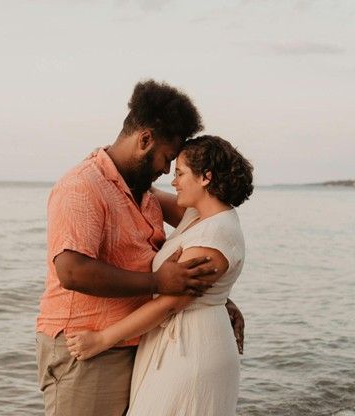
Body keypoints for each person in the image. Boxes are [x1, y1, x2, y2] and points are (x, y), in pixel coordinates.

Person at [36, 80, 244, 416]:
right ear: (145, 139)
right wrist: (159, 284)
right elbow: (72, 271)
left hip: (132, 340)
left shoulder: (144, 193)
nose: (166, 170)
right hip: (87, 346)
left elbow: (207, 228)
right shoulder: (82, 187)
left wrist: (215, 298)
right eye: (166, 158)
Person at [65, 135, 254, 415]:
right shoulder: (198, 216)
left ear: (206, 178)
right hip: (177, 342)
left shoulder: (215, 233)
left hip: (192, 350)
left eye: (180, 173)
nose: (174, 180)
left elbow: (170, 303)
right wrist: (108, 160)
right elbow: (145, 189)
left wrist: (102, 340)